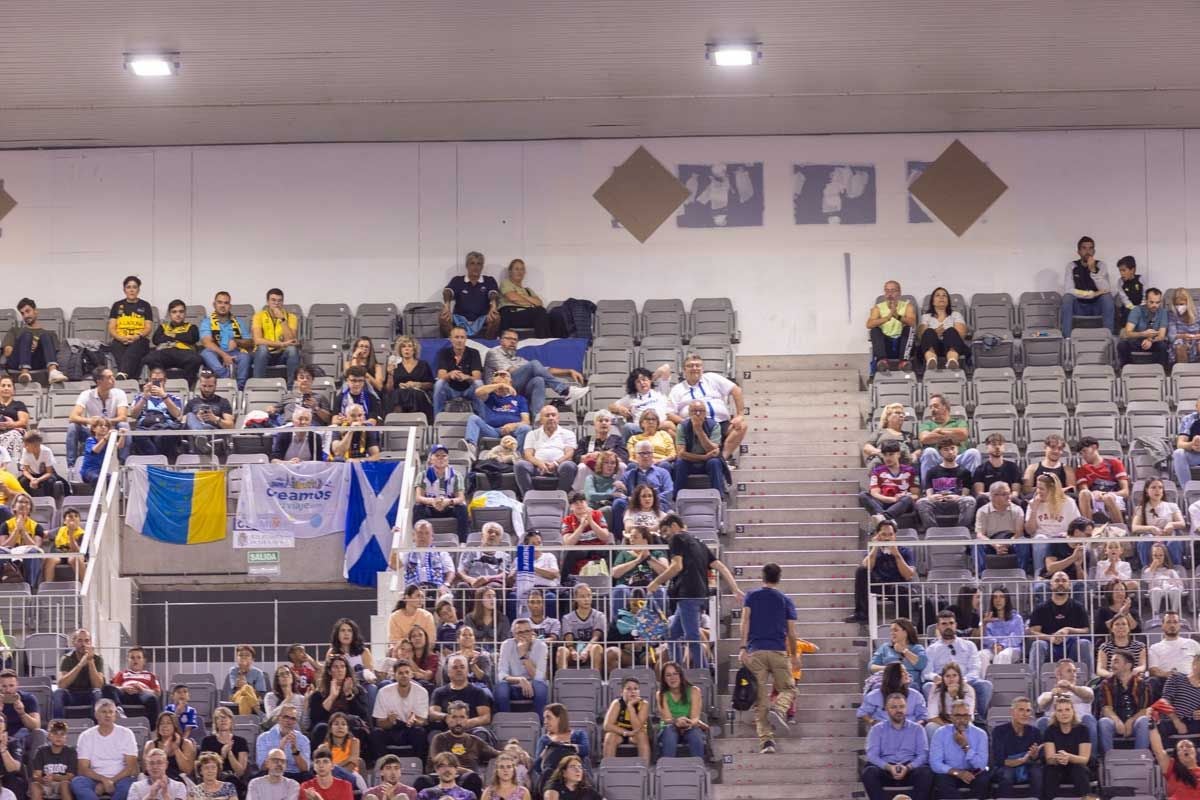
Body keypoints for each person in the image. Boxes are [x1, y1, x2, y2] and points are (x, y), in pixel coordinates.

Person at [650, 513, 741, 667]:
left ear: (674, 526)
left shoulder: (676, 538)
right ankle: (677, 669)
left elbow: (676, 566)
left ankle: (702, 673)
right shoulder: (699, 543)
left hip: (688, 595)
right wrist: (735, 588)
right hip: (700, 595)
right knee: (672, 635)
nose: (665, 536)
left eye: (665, 531)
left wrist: (656, 582)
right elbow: (720, 567)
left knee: (692, 638)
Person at [739, 562, 799, 753]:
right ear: (779, 578)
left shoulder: (751, 596)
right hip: (778, 651)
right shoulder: (785, 600)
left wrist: (742, 647)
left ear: (762, 577)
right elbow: (791, 632)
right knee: (789, 689)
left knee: (760, 699)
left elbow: (745, 620)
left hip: (755, 651)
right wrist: (794, 654)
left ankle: (766, 742)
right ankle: (779, 708)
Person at [484, 330, 587, 418]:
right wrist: (530, 369)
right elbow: (510, 373)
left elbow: (542, 370)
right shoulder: (494, 353)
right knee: (534, 364)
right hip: (496, 392)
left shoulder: (518, 359)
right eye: (508, 338)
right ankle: (565, 391)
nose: (512, 342)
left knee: (539, 380)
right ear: (501, 340)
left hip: (514, 390)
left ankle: (537, 419)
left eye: (515, 340)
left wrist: (568, 371)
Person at [666, 353, 746, 462]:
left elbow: (736, 390)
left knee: (742, 425)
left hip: (720, 423)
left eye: (697, 365)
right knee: (668, 427)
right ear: (684, 370)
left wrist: (740, 415)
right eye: (690, 366)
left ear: (702, 368)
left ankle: (723, 458)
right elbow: (670, 413)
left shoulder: (712, 378)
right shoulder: (677, 389)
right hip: (692, 427)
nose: (695, 368)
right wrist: (688, 423)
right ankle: (687, 457)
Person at [861, 693, 932, 800]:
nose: (898, 710)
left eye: (901, 707)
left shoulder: (917, 729)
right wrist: (889, 767)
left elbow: (923, 755)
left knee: (926, 772)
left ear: (906, 708)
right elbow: (872, 755)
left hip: (910, 769)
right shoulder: (877, 729)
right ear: (886, 709)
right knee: (869, 772)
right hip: (885, 769)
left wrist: (908, 767)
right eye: (894, 707)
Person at [847, 519, 917, 625]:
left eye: (890, 534)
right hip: (878, 585)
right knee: (861, 571)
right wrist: (875, 547)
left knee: (902, 589)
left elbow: (908, 576)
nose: (887, 538)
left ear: (895, 536)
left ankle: (904, 624)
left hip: (897, 586)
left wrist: (897, 555)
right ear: (878, 535)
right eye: (884, 534)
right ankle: (862, 614)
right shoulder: (873, 551)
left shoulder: (905, 551)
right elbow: (866, 567)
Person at [924, 611, 993, 715]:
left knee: (985, 685)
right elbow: (927, 672)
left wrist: (962, 680)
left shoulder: (969, 645)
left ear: (956, 625)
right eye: (944, 624)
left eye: (951, 623)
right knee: (928, 686)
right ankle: (938, 717)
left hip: (965, 681)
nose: (948, 626)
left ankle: (979, 720)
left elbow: (975, 669)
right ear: (938, 627)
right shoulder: (931, 649)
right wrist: (936, 678)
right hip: (942, 683)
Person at [70, 699, 139, 800]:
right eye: (104, 712)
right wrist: (103, 780)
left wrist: (111, 781)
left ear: (115, 715)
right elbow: (83, 769)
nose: (108, 715)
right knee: (77, 782)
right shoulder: (86, 736)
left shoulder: (126, 734)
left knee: (130, 786)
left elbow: (130, 768)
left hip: (121, 778)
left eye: (111, 712)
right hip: (94, 779)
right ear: (96, 715)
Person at [428, 703, 498, 793]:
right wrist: (466, 771)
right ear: (448, 719)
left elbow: (497, 753)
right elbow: (438, 762)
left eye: (462, 717)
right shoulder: (439, 738)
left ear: (467, 719)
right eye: (454, 717)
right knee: (422, 780)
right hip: (442, 778)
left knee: (472, 778)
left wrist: (515, 751)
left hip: (468, 781)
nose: (458, 721)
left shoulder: (475, 740)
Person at [609, 441, 673, 538]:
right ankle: (619, 540)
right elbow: (618, 493)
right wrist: (629, 498)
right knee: (618, 503)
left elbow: (669, 492)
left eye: (648, 453)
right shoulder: (628, 475)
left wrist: (651, 500)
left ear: (652, 455)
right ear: (636, 456)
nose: (646, 456)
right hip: (634, 507)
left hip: (657, 505)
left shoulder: (663, 473)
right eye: (642, 453)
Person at [66, 367, 129, 467]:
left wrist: (104, 422)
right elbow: (72, 417)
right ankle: (71, 466)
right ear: (99, 381)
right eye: (109, 377)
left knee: (124, 426)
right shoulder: (86, 394)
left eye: (113, 376)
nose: (113, 379)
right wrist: (90, 421)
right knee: (72, 427)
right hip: (93, 433)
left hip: (111, 432)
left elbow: (123, 417)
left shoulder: (119, 393)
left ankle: (123, 463)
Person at [463, 368, 532, 456]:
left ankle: (517, 456)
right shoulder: (490, 397)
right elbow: (478, 392)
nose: (500, 385)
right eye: (497, 383)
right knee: (473, 418)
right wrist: (500, 384)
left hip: (513, 431)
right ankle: (471, 449)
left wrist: (513, 426)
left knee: (526, 428)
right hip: (492, 430)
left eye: (504, 378)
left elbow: (526, 421)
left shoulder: (519, 399)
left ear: (510, 383)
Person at [371, 659, 430, 760]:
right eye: (400, 673)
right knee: (376, 733)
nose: (404, 676)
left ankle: (420, 767)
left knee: (420, 732)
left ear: (412, 674)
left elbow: (423, 721)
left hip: (410, 729)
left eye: (407, 672)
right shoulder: (384, 692)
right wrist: (389, 721)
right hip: (391, 729)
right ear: (394, 675)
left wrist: (415, 721)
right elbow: (379, 723)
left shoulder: (422, 692)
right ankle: (382, 766)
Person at [1029, 571, 1092, 665]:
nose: (1061, 583)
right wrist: (1050, 638)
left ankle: (1089, 678)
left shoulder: (1078, 607)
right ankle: (1034, 679)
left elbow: (1086, 630)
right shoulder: (1040, 608)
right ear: (1051, 585)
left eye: (1064, 580)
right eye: (1057, 581)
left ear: (1070, 585)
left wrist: (1068, 630)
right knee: (1038, 645)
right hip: (1049, 645)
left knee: (1084, 643)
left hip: (1072, 644)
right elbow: (1033, 632)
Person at [929, 699, 988, 798]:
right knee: (941, 779)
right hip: (950, 772)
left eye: (965, 716)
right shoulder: (940, 733)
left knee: (983, 779)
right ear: (950, 717)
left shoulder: (980, 734)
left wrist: (965, 746)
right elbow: (935, 763)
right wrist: (958, 773)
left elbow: (981, 765)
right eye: (958, 716)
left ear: (970, 717)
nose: (962, 720)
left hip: (973, 772)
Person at [307, 655, 368, 748]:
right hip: (327, 726)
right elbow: (316, 718)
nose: (340, 670)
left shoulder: (358, 690)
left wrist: (348, 694)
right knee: (321, 728)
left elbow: (363, 714)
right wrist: (332, 697)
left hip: (348, 725)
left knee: (358, 727)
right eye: (336, 667)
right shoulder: (318, 694)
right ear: (329, 671)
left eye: (342, 666)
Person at [916, 394, 979, 483]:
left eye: (936, 406)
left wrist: (938, 430)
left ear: (945, 407)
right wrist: (952, 436)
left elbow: (963, 434)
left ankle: (972, 489)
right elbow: (925, 438)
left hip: (958, 457)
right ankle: (927, 490)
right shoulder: (927, 424)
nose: (932, 410)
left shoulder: (959, 422)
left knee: (973, 453)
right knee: (929, 452)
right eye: (930, 407)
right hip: (938, 458)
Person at [915, 437, 976, 529]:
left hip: (955, 502)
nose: (950, 452)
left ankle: (962, 528)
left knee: (970, 501)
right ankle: (932, 529)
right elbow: (929, 494)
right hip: (938, 502)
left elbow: (965, 494)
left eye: (952, 448)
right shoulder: (932, 472)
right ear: (940, 452)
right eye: (946, 449)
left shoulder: (965, 472)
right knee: (921, 502)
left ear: (957, 449)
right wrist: (933, 497)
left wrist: (958, 497)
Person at [1097, 649, 1152, 752]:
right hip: (1114, 721)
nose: (1112, 665)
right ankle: (1108, 759)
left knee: (1144, 721)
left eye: (1116, 661)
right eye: (1112, 661)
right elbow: (1106, 708)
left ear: (1128, 665)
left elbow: (1144, 709)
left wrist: (1130, 721)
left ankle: (1140, 757)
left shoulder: (1142, 684)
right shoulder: (1106, 683)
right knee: (1104, 722)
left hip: (1136, 721)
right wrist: (1117, 721)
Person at [514, 406, 577, 495]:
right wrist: (540, 464)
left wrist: (555, 463)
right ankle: (529, 496)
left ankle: (560, 496)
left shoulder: (568, 434)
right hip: (537, 467)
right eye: (547, 415)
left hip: (559, 466)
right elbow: (528, 455)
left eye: (553, 415)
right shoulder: (532, 434)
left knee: (569, 465)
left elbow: (569, 453)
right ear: (541, 420)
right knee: (519, 465)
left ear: (558, 418)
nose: (551, 418)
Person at [412, 444, 468, 541]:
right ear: (431, 459)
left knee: (462, 508)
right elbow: (418, 497)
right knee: (418, 507)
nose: (440, 458)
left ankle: (462, 541)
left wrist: (448, 502)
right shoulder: (423, 475)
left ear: (448, 459)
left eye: (443, 456)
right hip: (430, 508)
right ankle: (417, 539)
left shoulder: (456, 475)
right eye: (437, 456)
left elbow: (460, 498)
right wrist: (432, 501)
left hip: (448, 507)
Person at [990, 697, 1043, 799]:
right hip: (1005, 767)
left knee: (1037, 773)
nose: (1025, 714)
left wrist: (1034, 755)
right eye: (1021, 710)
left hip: (1028, 765)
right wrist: (1023, 760)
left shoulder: (1035, 731)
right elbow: (1000, 760)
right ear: (1012, 712)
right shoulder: (999, 731)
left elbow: (1037, 758)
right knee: (1007, 775)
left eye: (1028, 710)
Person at [5, 298, 67, 384]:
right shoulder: (15, 330)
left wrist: (38, 346)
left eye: (28, 311)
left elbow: (54, 355)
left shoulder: (50, 334)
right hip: (17, 363)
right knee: (27, 336)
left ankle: (53, 372)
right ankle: (24, 373)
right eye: (22, 313)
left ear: (35, 311)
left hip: (38, 362)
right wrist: (24, 346)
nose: (25, 316)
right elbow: (7, 353)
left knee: (46, 335)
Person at [198, 291, 252, 389]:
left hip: (234, 353)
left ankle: (240, 388)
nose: (223, 306)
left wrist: (237, 341)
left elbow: (249, 342)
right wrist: (224, 355)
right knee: (206, 353)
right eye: (220, 302)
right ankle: (227, 379)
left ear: (230, 306)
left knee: (245, 357)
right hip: (215, 353)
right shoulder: (207, 322)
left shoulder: (239, 322)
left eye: (226, 303)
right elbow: (207, 342)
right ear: (214, 305)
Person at [1061, 234, 1114, 335]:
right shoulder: (1071, 266)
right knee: (1067, 298)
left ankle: (1108, 337)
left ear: (1094, 251)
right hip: (1079, 306)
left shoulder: (1101, 265)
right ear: (1079, 251)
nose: (1087, 252)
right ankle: (1067, 338)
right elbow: (1069, 289)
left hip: (1096, 306)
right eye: (1084, 248)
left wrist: (1093, 270)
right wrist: (1090, 294)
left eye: (1090, 248)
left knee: (1107, 298)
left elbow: (1106, 289)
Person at [1035, 659, 1097, 745]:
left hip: (1080, 728)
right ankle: (1044, 756)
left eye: (1075, 671)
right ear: (1058, 674)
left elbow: (1089, 696)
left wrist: (1070, 687)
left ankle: (1091, 757)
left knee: (1088, 718)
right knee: (1042, 721)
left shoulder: (1084, 690)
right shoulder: (1048, 694)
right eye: (1069, 671)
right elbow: (1042, 704)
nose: (1074, 674)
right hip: (1057, 730)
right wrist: (1053, 695)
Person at [128, 366, 185, 459]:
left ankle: (156, 461)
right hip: (144, 427)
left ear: (165, 381)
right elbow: (133, 415)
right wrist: (144, 397)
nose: (157, 383)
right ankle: (158, 460)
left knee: (167, 435)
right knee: (138, 435)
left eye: (160, 380)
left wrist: (164, 396)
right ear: (149, 380)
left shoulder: (174, 398)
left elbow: (177, 415)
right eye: (154, 380)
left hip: (165, 427)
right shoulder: (140, 397)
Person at [1043, 695, 1094, 799]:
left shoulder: (1083, 730)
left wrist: (1069, 757)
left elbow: (1084, 759)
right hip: (1058, 767)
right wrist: (1059, 759)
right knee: (1051, 770)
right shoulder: (1050, 730)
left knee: (1079, 769)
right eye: (1060, 710)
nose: (1064, 713)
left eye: (1067, 709)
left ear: (1073, 711)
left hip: (1078, 767)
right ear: (1055, 714)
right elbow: (1049, 759)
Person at [974, 481, 1030, 574]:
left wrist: (1007, 544)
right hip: (991, 541)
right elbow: (980, 534)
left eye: (1008, 493)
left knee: (1023, 541)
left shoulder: (1017, 510)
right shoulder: (982, 511)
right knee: (977, 544)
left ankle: (1022, 572)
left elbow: (1019, 532)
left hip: (1011, 540)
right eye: (1004, 494)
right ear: (993, 496)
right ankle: (981, 575)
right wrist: (995, 545)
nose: (1009, 497)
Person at [441, 251, 500, 339]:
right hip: (460, 319)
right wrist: (447, 305)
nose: (475, 267)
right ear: (467, 265)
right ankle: (453, 342)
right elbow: (447, 291)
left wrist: (493, 305)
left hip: (482, 318)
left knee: (496, 317)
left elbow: (493, 293)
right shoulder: (458, 280)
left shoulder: (489, 280)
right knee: (443, 317)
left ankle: (488, 343)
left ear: (482, 266)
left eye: (479, 264)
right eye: (472, 263)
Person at [495, 618, 548, 716]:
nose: (524, 635)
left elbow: (539, 677)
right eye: (519, 632)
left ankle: (540, 725)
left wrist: (523, 655)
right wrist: (520, 680)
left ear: (532, 632)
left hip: (534, 685)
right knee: (501, 688)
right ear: (514, 635)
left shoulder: (541, 646)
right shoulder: (507, 645)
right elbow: (502, 674)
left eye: (527, 631)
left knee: (541, 688)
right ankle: (504, 724)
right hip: (513, 685)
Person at [429, 655, 493, 735]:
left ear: (467, 671)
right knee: (433, 734)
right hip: (446, 732)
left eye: (462, 667)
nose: (459, 670)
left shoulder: (478, 692)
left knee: (481, 733)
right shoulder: (439, 692)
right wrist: (446, 717)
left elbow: (486, 717)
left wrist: (467, 722)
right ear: (448, 672)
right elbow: (432, 713)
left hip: (471, 731)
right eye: (455, 667)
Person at [673, 399, 726, 494]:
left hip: (708, 463)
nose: (698, 414)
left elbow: (712, 450)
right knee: (680, 463)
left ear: (705, 413)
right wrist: (704, 457)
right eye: (694, 411)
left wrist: (699, 431)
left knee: (715, 462)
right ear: (689, 413)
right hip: (690, 462)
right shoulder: (682, 426)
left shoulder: (714, 425)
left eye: (701, 411)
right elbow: (681, 454)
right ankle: (677, 497)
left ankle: (719, 497)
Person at [1133, 476, 1187, 568]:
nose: (1157, 490)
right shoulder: (1141, 508)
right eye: (1153, 487)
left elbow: (1182, 524)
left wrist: (1171, 524)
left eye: (1160, 487)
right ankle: (1147, 569)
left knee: (1174, 542)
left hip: (1167, 536)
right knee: (1145, 541)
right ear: (1147, 490)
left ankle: (1176, 569)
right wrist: (1151, 528)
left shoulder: (1172, 506)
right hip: (1151, 537)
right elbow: (1134, 528)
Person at [107, 275, 154, 380]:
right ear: (124, 290)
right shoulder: (117, 305)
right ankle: (130, 377)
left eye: (134, 287)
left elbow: (148, 327)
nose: (132, 290)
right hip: (120, 340)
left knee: (134, 349)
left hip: (139, 339)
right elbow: (111, 328)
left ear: (138, 290)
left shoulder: (145, 305)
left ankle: (123, 374)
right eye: (129, 287)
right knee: (118, 347)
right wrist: (120, 338)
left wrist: (137, 336)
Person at [1074, 435, 1130, 524]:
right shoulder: (1081, 470)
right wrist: (1095, 494)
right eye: (1081, 453)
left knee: (1108, 498)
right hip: (1094, 497)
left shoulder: (1114, 463)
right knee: (1084, 493)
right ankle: (1087, 530)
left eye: (1085, 451)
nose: (1083, 456)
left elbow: (1125, 492)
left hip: (1113, 497)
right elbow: (1084, 490)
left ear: (1094, 447)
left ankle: (1120, 531)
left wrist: (1105, 494)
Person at [251, 288, 301, 387]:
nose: (276, 303)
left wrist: (282, 319)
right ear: (267, 302)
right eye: (273, 300)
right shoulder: (258, 316)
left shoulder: (291, 317)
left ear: (283, 302)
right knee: (262, 348)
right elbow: (257, 340)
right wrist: (281, 344)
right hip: (265, 354)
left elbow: (291, 340)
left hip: (282, 354)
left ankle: (292, 388)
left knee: (292, 349)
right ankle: (257, 386)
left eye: (279, 300)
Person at [655, 661, 705, 759]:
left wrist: (687, 723)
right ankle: (666, 769)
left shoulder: (694, 691)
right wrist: (677, 722)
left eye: (675, 674)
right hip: (669, 726)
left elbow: (695, 718)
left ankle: (699, 768)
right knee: (670, 732)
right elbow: (667, 719)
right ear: (664, 679)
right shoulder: (661, 694)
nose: (672, 678)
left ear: (681, 675)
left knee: (695, 734)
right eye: (668, 675)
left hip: (689, 725)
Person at [860, 440, 919, 523]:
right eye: (885, 455)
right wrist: (892, 499)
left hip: (902, 504)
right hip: (885, 502)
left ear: (898, 454)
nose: (887, 458)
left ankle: (883, 519)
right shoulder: (877, 471)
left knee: (908, 499)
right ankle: (887, 519)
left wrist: (902, 497)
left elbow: (915, 495)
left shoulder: (910, 471)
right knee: (863, 495)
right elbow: (874, 493)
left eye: (891, 454)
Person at [142, 299, 203, 379]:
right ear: (170, 314)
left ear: (185, 313)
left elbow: (192, 338)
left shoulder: (191, 327)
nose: (178, 314)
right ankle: (160, 382)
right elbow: (156, 340)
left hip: (185, 353)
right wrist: (182, 336)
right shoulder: (163, 326)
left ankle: (186, 384)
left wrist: (171, 335)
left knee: (196, 359)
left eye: (181, 312)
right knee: (150, 358)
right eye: (174, 312)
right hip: (165, 353)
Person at [53, 628, 105, 720]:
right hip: (71, 694)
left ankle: (96, 727)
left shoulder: (97, 659)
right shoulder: (67, 658)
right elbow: (61, 685)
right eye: (80, 640)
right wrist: (80, 664)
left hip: (89, 693)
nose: (83, 644)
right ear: (74, 642)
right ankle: (58, 726)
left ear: (90, 642)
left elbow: (98, 685)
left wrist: (90, 661)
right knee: (58, 693)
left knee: (97, 693)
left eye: (87, 640)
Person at [434, 327, 486, 416]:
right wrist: (450, 374)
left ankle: (482, 420)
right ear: (450, 339)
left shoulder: (474, 353)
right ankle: (437, 419)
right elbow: (441, 375)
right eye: (456, 337)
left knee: (479, 383)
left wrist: (466, 377)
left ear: (466, 339)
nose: (459, 340)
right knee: (439, 383)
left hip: (468, 389)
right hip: (450, 389)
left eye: (462, 337)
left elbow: (477, 376)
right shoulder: (444, 353)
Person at [867, 280, 917, 371]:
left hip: (902, 344)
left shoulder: (907, 306)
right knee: (874, 330)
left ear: (899, 293)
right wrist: (887, 318)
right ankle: (882, 361)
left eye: (893, 291)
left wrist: (897, 316)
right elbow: (869, 324)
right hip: (885, 345)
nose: (889, 294)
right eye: (887, 291)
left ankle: (904, 361)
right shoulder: (878, 307)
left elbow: (913, 322)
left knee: (909, 329)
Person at [398, 520, 458, 595]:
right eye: (420, 533)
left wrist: (445, 584)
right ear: (414, 536)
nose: (423, 536)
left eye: (427, 533)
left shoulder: (441, 553)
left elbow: (450, 572)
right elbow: (394, 566)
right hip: (414, 591)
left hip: (437, 590)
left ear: (432, 536)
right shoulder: (407, 553)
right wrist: (396, 537)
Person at [496, 258, 553, 338]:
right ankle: (543, 343)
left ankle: (553, 343)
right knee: (540, 312)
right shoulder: (506, 283)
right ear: (510, 272)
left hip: (528, 315)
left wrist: (520, 296)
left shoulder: (528, 290)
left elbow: (539, 303)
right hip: (511, 314)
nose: (520, 272)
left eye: (522, 269)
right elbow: (512, 298)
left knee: (553, 316)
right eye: (517, 269)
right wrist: (531, 302)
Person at [610, 367, 674, 438]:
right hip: (641, 430)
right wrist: (619, 408)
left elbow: (666, 368)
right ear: (634, 385)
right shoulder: (631, 398)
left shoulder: (660, 392)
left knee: (670, 428)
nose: (642, 383)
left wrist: (650, 378)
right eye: (638, 381)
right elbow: (611, 406)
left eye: (644, 380)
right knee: (628, 426)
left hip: (661, 428)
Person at [182, 371, 235, 455]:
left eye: (210, 386)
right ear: (199, 385)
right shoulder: (192, 403)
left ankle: (200, 437)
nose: (207, 389)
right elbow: (183, 423)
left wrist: (215, 419)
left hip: (213, 433)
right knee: (190, 415)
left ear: (215, 386)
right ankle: (201, 438)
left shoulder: (223, 402)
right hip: (193, 434)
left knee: (205, 426)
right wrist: (197, 419)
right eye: (204, 386)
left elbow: (231, 426)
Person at [555, 584, 605, 671]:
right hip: (574, 649)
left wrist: (586, 650)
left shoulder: (599, 615)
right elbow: (568, 639)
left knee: (596, 648)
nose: (586, 599)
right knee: (561, 650)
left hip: (591, 648)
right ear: (575, 598)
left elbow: (596, 637)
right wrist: (572, 651)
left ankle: (595, 678)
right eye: (582, 596)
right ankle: (562, 680)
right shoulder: (567, 618)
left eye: (589, 595)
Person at [917, 287, 969, 371]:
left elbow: (961, 334)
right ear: (932, 302)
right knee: (929, 332)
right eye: (937, 295)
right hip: (932, 346)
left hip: (952, 345)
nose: (941, 297)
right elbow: (921, 336)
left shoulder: (955, 315)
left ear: (948, 301)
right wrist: (935, 333)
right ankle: (931, 361)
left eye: (944, 295)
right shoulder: (926, 317)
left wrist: (945, 333)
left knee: (951, 331)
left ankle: (952, 361)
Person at [859, 662, 926, 726]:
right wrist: (873, 722)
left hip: (910, 730)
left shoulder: (916, 695)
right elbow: (863, 713)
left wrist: (916, 726)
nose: (907, 673)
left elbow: (922, 716)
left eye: (906, 671)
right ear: (893, 675)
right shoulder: (875, 695)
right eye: (902, 671)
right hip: (883, 729)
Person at [256, 706, 312, 782]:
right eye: (286, 717)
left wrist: (295, 750)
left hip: (295, 774)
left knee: (308, 776)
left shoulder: (303, 739)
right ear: (278, 718)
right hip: (273, 773)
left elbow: (305, 769)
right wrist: (280, 749)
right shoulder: (264, 738)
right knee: (260, 776)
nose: (289, 722)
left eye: (293, 719)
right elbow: (263, 767)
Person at [1118, 286, 1169, 367]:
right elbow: (1128, 333)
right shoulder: (1136, 310)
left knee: (1163, 345)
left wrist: (1150, 340)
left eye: (1157, 302)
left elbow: (1162, 335)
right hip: (1137, 341)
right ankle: (1126, 370)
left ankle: (1162, 372)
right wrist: (1143, 334)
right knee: (1122, 344)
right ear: (1146, 301)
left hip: (1153, 342)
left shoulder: (1163, 312)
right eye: (1151, 302)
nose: (1154, 305)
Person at [386, 336, 434, 422]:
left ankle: (415, 422)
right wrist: (390, 374)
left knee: (414, 393)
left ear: (414, 349)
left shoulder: (423, 365)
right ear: (400, 350)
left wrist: (417, 384)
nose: (406, 349)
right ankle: (397, 423)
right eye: (404, 346)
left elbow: (431, 384)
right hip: (400, 396)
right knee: (397, 393)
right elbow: (390, 390)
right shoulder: (396, 367)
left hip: (419, 395)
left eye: (409, 346)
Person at [601, 678, 650, 761]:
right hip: (620, 733)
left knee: (642, 736)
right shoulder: (617, 703)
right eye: (628, 689)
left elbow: (637, 728)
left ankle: (644, 770)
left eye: (635, 689)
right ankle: (608, 769)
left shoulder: (644, 704)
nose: (633, 691)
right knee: (609, 736)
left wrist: (630, 707)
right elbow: (607, 725)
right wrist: (626, 733)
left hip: (636, 734)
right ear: (622, 692)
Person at [201, 706, 250, 789]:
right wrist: (222, 755)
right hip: (213, 777)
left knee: (232, 781)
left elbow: (240, 772)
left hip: (235, 780)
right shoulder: (207, 741)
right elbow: (205, 768)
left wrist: (230, 754)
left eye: (225, 717)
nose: (223, 720)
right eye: (219, 717)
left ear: (231, 721)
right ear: (215, 722)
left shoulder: (241, 741)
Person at [925, 662, 976, 740]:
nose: (951, 679)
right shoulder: (936, 689)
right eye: (947, 676)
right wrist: (950, 729)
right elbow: (932, 717)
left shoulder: (968, 689)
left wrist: (955, 697)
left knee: (971, 727)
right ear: (943, 678)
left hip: (962, 721)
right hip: (942, 721)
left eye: (954, 675)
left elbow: (969, 716)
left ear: (959, 677)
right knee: (930, 727)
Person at [979, 588, 1024, 676]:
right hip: (992, 648)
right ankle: (986, 684)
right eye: (995, 597)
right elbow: (984, 637)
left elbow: (1017, 637)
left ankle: (998, 684)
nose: (998, 600)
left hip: (1012, 648)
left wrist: (1002, 645)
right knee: (981, 655)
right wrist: (994, 644)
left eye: (1001, 597)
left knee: (1003, 655)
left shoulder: (1017, 618)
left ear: (1006, 600)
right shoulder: (987, 618)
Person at [111, 647, 161, 724]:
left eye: (138, 657)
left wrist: (143, 690)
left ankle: (151, 727)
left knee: (152, 698)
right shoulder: (122, 674)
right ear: (128, 660)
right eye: (132, 657)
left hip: (142, 695)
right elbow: (114, 688)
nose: (135, 660)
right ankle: (118, 711)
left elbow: (158, 693)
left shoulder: (150, 675)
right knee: (107, 688)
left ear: (144, 661)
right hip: (125, 695)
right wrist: (123, 688)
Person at [1150, 724, 1200, 800]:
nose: (1185, 749)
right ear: (1177, 755)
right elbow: (1158, 751)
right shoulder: (1172, 769)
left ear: (1196, 752)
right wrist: (1151, 725)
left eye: (1189, 746)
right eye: (1181, 748)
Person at [30, 719, 77, 800]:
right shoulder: (41, 751)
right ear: (49, 736)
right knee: (34, 786)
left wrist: (54, 777)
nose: (59, 737)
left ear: (66, 738)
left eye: (62, 734)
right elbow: (36, 775)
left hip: (61, 783)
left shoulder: (71, 752)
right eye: (55, 733)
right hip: (45, 784)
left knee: (65, 784)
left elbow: (70, 776)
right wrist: (42, 780)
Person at [970, 432, 1022, 504]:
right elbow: (980, 493)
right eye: (994, 445)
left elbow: (1015, 491)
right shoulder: (980, 469)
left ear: (1004, 447)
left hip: (1008, 499)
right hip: (989, 500)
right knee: (980, 499)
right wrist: (995, 497)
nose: (997, 447)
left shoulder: (1013, 467)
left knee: (1017, 500)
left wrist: (1005, 497)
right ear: (987, 448)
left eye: (1000, 445)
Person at [457, 522, 511, 591]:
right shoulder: (469, 552)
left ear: (500, 540)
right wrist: (471, 580)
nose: (493, 535)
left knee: (495, 586)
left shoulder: (504, 556)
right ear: (482, 536)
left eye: (497, 534)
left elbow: (503, 574)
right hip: (472, 583)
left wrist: (488, 578)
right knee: (462, 586)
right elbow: (461, 572)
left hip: (492, 583)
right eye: (490, 532)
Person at [143, 713, 195, 781]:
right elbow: (145, 770)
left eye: (168, 723)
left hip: (179, 781)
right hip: (155, 779)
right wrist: (164, 752)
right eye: (161, 723)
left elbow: (187, 770)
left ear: (175, 726)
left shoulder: (186, 744)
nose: (164, 726)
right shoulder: (150, 744)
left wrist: (176, 748)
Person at [1159, 654, 1200, 741]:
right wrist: (1177, 722)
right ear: (1194, 664)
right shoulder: (1177, 677)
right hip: (1171, 719)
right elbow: (1163, 702)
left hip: (1192, 722)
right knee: (1159, 725)